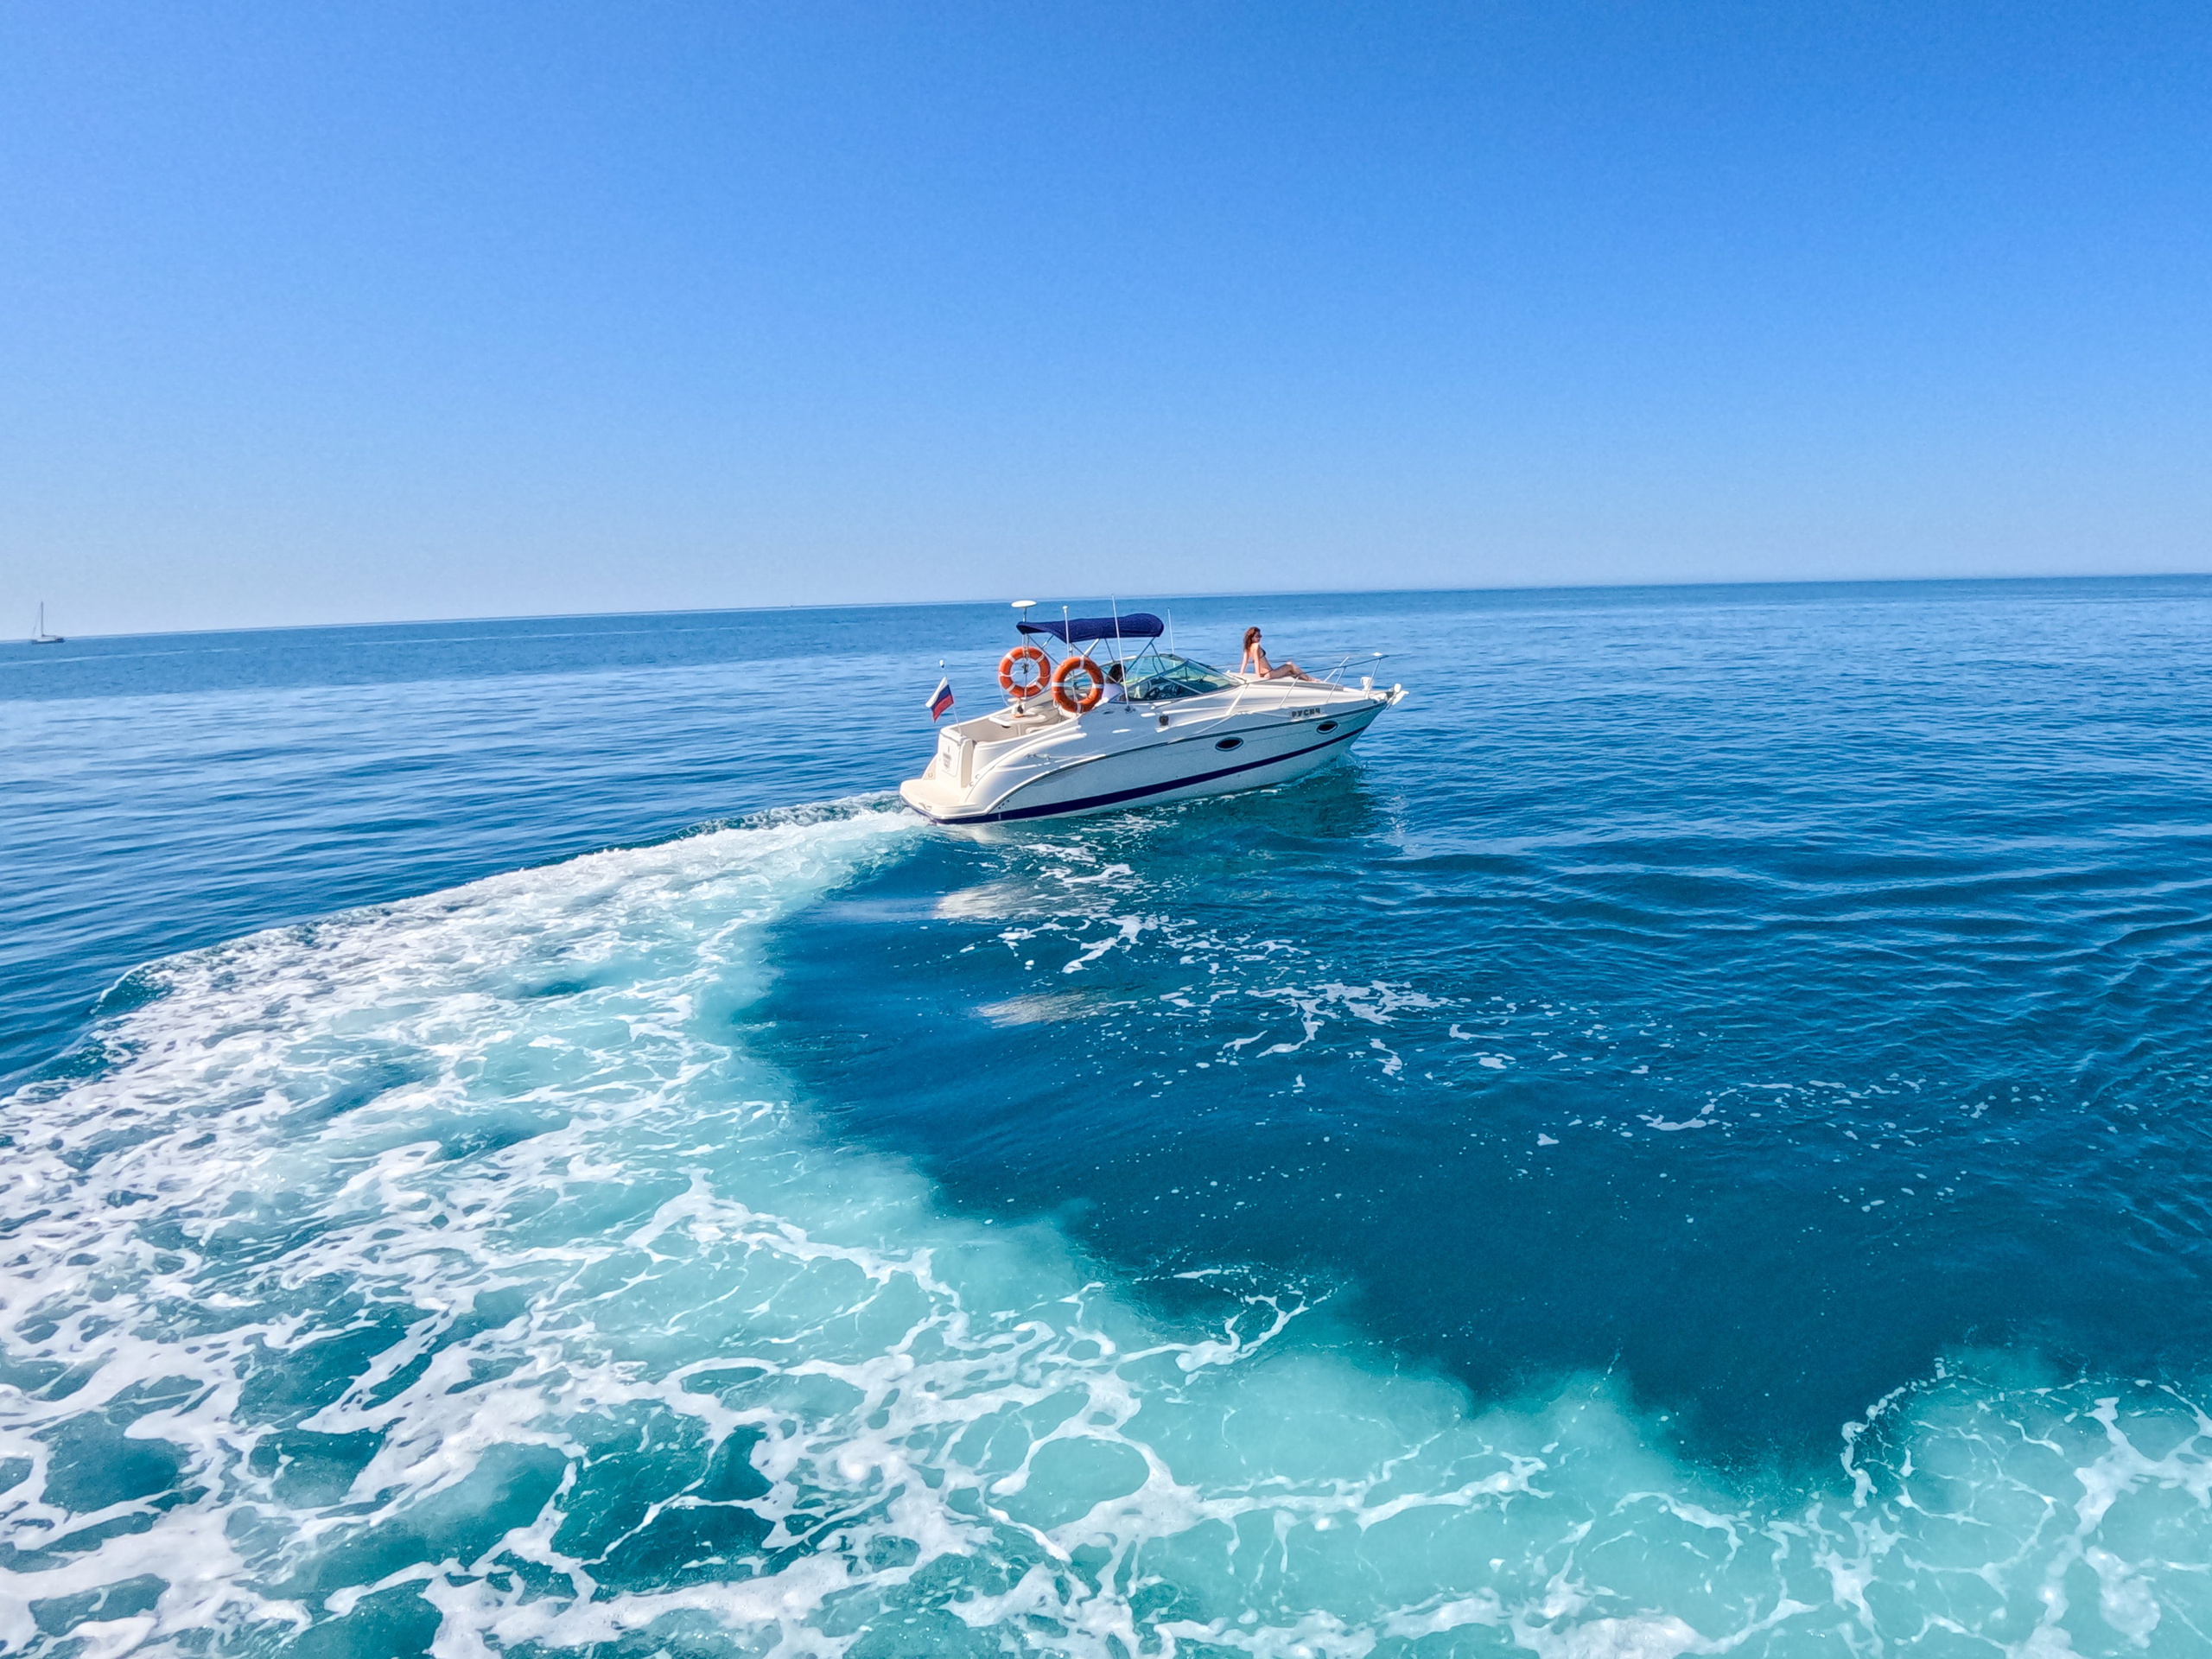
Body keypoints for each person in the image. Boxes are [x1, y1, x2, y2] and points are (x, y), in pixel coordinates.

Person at [1239, 626, 1314, 682]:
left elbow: (1244, 662)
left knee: (1291, 673)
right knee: (1290, 665)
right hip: (1269, 674)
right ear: (1252, 637)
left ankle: (1304, 681)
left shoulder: (1247, 647)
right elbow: (1257, 662)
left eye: (1260, 636)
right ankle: (1310, 680)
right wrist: (1258, 677)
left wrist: (1241, 674)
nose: (1260, 638)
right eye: (1258, 636)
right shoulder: (1256, 646)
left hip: (1265, 674)